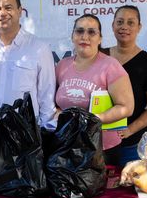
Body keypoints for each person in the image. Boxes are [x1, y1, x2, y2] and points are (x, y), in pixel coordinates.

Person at [0, 0, 57, 128]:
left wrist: (44, 130)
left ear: (20, 11)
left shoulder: (39, 48)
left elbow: (46, 96)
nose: (2, 13)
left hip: (25, 130)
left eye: (8, 8)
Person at [55, 14, 134, 150]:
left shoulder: (110, 66)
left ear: (100, 39)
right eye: (79, 31)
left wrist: (91, 120)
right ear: (72, 36)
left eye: (91, 32)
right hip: (67, 144)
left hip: (101, 148)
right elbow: (52, 103)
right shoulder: (62, 65)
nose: (85, 37)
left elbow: (126, 107)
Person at [104, 6, 147, 165]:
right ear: (113, 25)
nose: (124, 27)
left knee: (130, 180)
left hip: (131, 145)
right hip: (97, 143)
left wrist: (130, 130)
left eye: (130, 23)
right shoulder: (99, 56)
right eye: (120, 22)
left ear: (139, 27)